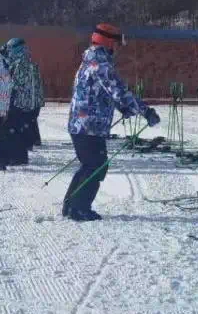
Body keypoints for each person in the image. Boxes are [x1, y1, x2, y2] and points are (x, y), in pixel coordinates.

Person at [64, 24, 160, 221]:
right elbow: (120, 91)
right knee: (96, 166)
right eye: (117, 44)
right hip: (89, 126)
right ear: (108, 43)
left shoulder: (90, 62)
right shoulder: (102, 66)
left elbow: (101, 93)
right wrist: (146, 111)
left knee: (89, 165)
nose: (118, 48)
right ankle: (79, 208)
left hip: (84, 125)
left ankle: (71, 205)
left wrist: (122, 107)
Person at [4, 38, 45, 155]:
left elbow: (15, 83)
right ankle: (29, 144)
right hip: (33, 102)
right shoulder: (28, 61)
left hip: (23, 102)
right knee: (27, 125)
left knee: (18, 127)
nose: (9, 52)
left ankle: (21, 152)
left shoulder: (20, 64)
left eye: (10, 49)